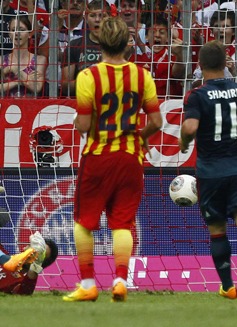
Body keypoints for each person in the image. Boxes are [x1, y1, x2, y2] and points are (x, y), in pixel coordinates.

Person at [63, 16, 162, 302]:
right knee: (123, 223)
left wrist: (79, 119)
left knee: (83, 222)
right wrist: (140, 136)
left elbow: (82, 126)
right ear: (127, 44)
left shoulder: (87, 76)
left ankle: (88, 283)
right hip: (130, 157)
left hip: (98, 156)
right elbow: (157, 121)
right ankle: (120, 279)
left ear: (100, 41)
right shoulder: (142, 75)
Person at [179, 40, 237, 299]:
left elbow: (189, 129)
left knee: (217, 229)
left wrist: (184, 142)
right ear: (225, 64)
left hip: (210, 171)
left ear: (200, 65)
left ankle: (229, 286)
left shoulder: (197, 95)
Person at [0, 15, 46, 98]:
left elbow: (36, 87)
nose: (17, 34)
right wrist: (17, 82)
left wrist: (15, 69)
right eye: (13, 30)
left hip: (30, 109)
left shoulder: (40, 60)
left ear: (29, 34)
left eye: (21, 30)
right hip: (6, 109)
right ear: (9, 34)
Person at [192, 10, 237, 88]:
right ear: (212, 31)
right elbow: (193, 86)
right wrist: (209, 71)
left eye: (226, 26)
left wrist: (234, 71)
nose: (220, 30)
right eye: (217, 26)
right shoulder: (206, 54)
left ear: (233, 31)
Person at [61, 0, 107, 97]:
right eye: (93, 15)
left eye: (102, 16)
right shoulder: (74, 45)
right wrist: (89, 79)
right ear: (85, 18)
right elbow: (65, 87)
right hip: (82, 102)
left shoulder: (117, 45)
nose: (98, 20)